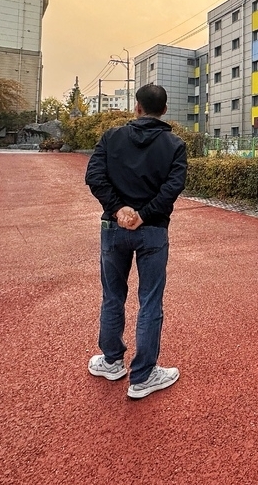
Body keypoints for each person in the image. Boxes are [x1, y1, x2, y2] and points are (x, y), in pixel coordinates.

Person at [85, 83, 188, 399]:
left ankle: (112, 361)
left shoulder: (111, 137)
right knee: (150, 300)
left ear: (137, 107)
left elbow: (94, 177)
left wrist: (119, 210)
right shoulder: (175, 144)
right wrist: (144, 215)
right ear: (164, 110)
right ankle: (143, 376)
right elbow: (172, 187)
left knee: (112, 295)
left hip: (114, 229)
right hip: (153, 231)